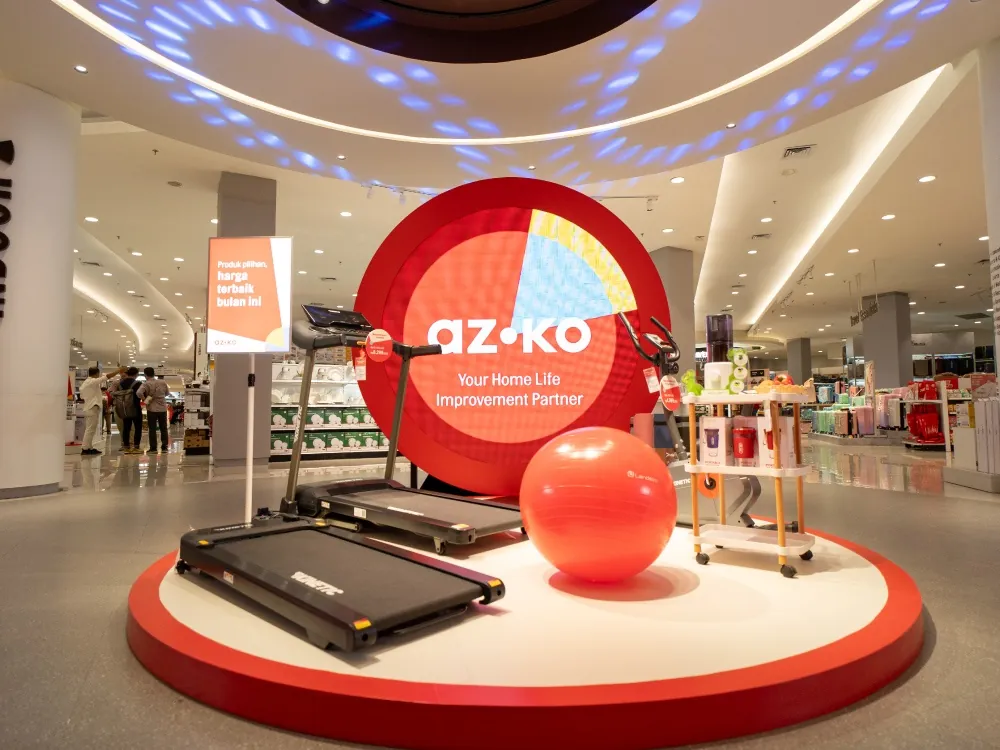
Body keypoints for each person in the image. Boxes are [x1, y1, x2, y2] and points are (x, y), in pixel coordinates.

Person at [137, 367, 170, 454]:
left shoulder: (146, 384)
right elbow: (167, 393)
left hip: (151, 408)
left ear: (145, 374)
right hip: (162, 408)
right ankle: (164, 447)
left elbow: (138, 393)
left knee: (152, 429)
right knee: (163, 428)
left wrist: (144, 399)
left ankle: (153, 448)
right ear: (154, 373)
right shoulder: (162, 382)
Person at [113, 367, 144, 454]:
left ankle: (126, 447)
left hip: (124, 408)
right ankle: (136, 447)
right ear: (136, 374)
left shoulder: (120, 383)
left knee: (126, 427)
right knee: (138, 427)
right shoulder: (138, 383)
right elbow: (141, 394)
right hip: (135, 407)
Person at [79, 366, 108, 456]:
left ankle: (89, 447)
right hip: (92, 408)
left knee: (90, 429)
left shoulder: (85, 383)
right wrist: (118, 370)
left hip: (89, 407)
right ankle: (85, 448)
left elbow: (81, 396)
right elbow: (106, 377)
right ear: (97, 373)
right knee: (90, 429)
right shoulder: (92, 381)